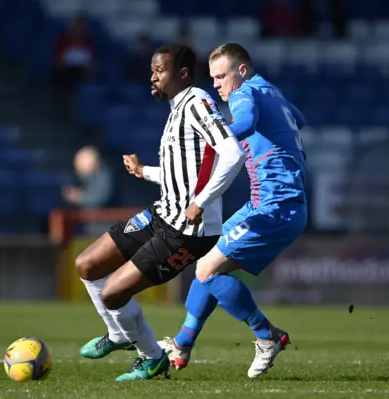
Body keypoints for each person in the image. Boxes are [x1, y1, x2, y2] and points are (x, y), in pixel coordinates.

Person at [75, 43, 245, 382]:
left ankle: (152, 358)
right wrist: (145, 172)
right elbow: (182, 172)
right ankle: (119, 334)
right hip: (161, 214)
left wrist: (200, 202)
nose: (152, 77)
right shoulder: (177, 109)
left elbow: (233, 153)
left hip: (186, 231)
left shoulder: (197, 102)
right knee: (87, 265)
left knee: (113, 293)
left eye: (159, 70)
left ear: (182, 74)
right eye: (152, 70)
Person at [157, 43, 308, 378]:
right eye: (212, 78)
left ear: (241, 71)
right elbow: (298, 118)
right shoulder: (271, 89)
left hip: (274, 206)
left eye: (221, 76)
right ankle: (181, 344)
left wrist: (213, 138)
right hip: (271, 203)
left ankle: (266, 335)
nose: (216, 85)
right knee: (205, 266)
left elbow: (247, 121)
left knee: (208, 270)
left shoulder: (243, 95)